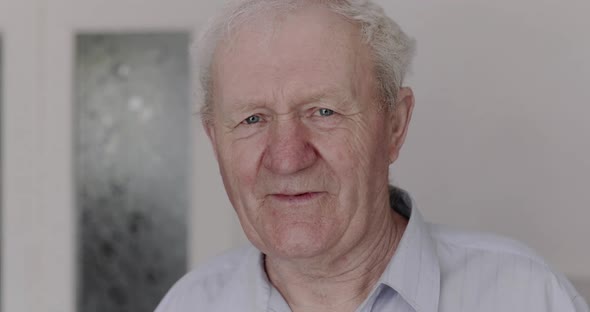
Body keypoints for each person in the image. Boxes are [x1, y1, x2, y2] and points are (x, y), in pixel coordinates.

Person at [155, 0, 589, 311]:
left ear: (395, 126)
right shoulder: (189, 303)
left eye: (324, 111)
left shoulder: (526, 296)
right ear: (215, 141)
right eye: (252, 119)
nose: (287, 158)